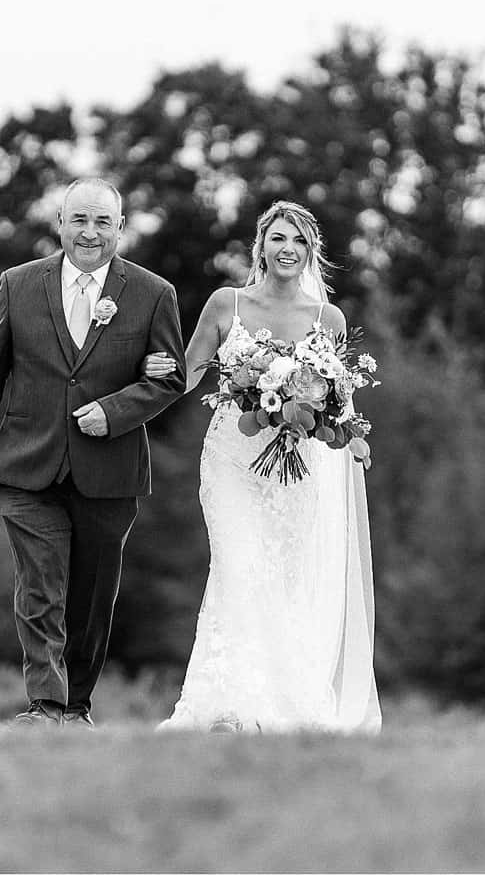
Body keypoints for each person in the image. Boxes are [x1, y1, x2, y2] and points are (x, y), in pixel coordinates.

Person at [0, 178, 186, 728]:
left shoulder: (154, 294)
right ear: (59, 224)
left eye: (103, 222)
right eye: (79, 220)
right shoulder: (18, 284)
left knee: (91, 596)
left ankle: (76, 705)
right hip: (26, 463)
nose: (90, 233)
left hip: (110, 472)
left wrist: (117, 410)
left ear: (121, 229)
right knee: (40, 584)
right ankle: (45, 704)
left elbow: (171, 378)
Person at [146, 200, 382, 734]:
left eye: (298, 241)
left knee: (285, 579)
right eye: (278, 238)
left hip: (298, 468)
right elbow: (187, 375)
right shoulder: (226, 303)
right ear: (261, 246)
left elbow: (337, 403)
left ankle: (276, 701)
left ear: (310, 252)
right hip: (232, 458)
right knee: (240, 564)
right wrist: (145, 373)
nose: (287, 249)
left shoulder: (328, 319)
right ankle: (227, 704)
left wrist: (354, 440)